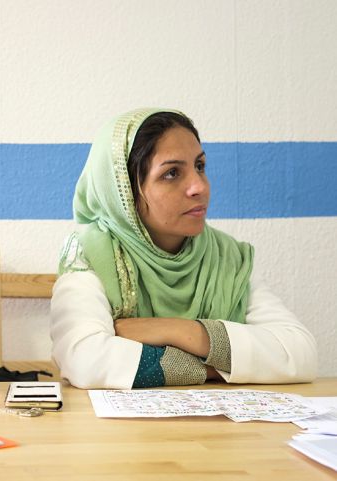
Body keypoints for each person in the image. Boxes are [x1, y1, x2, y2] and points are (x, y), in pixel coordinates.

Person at [50, 108, 317, 389]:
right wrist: (214, 367)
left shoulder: (227, 257)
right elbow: (85, 360)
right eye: (172, 173)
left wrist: (178, 330)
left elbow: (301, 354)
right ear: (124, 191)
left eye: (200, 166)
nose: (198, 187)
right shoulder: (91, 253)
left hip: (221, 430)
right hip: (120, 432)